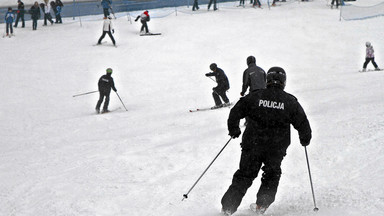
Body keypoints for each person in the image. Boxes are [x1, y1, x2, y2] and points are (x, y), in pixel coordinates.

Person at [221, 67, 312, 216]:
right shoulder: (289, 101)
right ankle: (261, 206)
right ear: (284, 82)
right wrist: (305, 138)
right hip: (276, 148)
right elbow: (302, 122)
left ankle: (227, 208)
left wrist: (234, 129)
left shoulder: (255, 96)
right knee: (271, 175)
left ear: (267, 80)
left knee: (244, 175)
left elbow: (236, 111)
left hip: (252, 144)